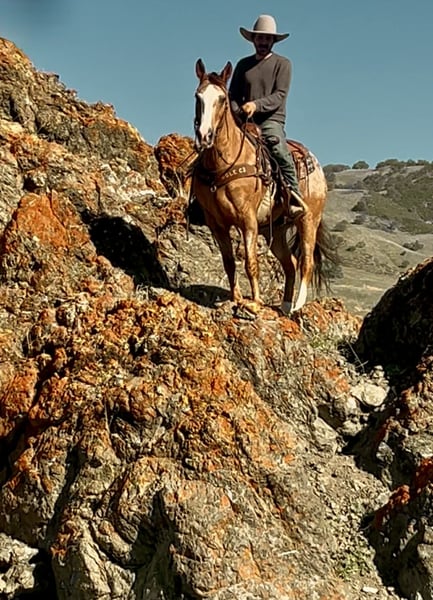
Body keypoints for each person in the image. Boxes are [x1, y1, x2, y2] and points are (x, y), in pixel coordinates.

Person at [229, 14, 306, 219]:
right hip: (243, 120)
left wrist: (256, 105)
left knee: (278, 150)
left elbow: (280, 95)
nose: (263, 42)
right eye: (260, 38)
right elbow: (232, 94)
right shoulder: (243, 65)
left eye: (267, 38)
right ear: (253, 39)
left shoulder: (283, 64)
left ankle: (294, 196)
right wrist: (237, 111)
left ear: (273, 41)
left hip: (271, 120)